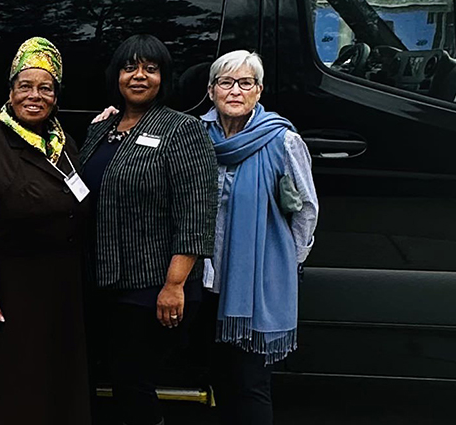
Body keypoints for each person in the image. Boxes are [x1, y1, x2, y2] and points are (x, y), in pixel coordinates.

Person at [0, 37, 92, 425]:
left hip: (60, 289)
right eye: (24, 86)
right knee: (15, 384)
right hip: (8, 289)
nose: (34, 96)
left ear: (56, 96)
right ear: (10, 92)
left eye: (45, 88)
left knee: (56, 384)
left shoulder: (65, 145)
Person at [77, 34, 217, 425]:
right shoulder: (101, 129)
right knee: (107, 378)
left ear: (163, 78)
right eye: (129, 67)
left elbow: (196, 213)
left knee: (131, 379)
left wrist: (174, 286)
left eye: (150, 69)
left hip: (151, 286)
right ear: (116, 76)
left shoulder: (182, 130)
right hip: (102, 282)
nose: (139, 76)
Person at [200, 50, 318, 425]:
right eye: (225, 82)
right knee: (217, 379)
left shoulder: (282, 140)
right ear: (211, 90)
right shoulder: (195, 136)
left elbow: (306, 210)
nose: (235, 90)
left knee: (251, 384)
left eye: (245, 83)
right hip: (203, 279)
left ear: (259, 90)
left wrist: (286, 262)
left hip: (257, 284)